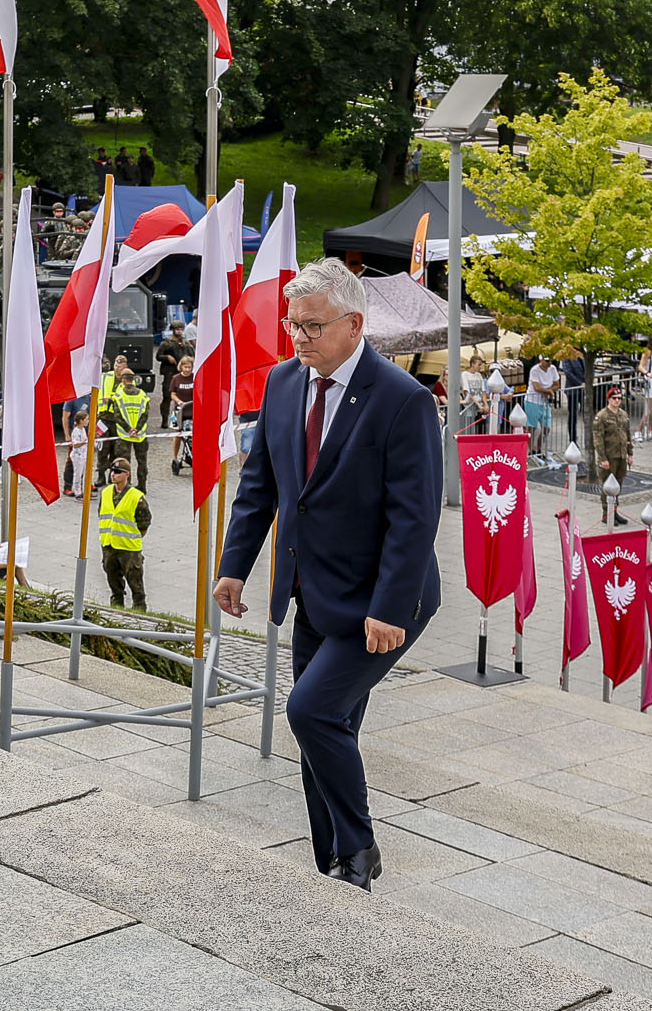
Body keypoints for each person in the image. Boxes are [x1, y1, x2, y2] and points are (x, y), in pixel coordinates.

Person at [213, 258, 442, 893]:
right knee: (332, 728)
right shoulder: (284, 384)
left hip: (382, 599)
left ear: (354, 324)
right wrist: (236, 567)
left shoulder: (405, 401)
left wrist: (391, 608)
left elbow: (415, 518)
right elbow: (260, 488)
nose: (300, 337)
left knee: (310, 712)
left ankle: (360, 845)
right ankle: (334, 866)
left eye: (312, 326)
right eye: (293, 325)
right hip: (309, 593)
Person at [97, 458, 152, 608]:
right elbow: (101, 514)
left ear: (126, 474)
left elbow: (144, 523)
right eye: (112, 471)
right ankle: (117, 610)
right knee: (114, 585)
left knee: (137, 587)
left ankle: (140, 613)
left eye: (117, 472)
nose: (113, 475)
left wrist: (131, 536)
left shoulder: (136, 497)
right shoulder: (106, 492)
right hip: (109, 546)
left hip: (129, 549)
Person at [106, 365, 151, 490]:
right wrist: (136, 429)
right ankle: (142, 486)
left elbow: (117, 416)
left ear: (123, 380)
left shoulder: (119, 396)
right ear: (133, 379)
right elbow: (145, 415)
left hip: (124, 435)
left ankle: (127, 486)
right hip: (140, 435)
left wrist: (128, 430)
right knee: (142, 461)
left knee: (124, 462)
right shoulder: (142, 395)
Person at [593, 387, 631, 525]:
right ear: (608, 399)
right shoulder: (602, 416)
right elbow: (598, 439)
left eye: (619, 398)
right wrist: (603, 458)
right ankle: (606, 514)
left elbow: (627, 436)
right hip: (609, 456)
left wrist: (630, 453)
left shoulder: (623, 415)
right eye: (614, 398)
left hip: (621, 455)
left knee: (618, 484)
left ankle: (614, 511)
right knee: (607, 486)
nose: (617, 401)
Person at [526, 355, 560, 456]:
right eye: (547, 361)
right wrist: (548, 390)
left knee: (546, 427)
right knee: (532, 426)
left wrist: (548, 391)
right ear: (541, 360)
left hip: (544, 401)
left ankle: (539, 447)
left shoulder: (552, 368)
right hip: (533, 400)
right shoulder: (534, 370)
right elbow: (536, 387)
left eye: (551, 361)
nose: (549, 363)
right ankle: (531, 448)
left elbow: (557, 384)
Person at [167, 359, 194, 476]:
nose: (187, 370)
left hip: (193, 408)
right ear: (181, 367)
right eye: (185, 367)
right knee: (177, 434)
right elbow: (172, 393)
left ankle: (193, 454)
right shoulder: (176, 378)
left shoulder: (195, 377)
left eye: (189, 367)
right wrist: (179, 401)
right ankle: (175, 457)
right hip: (179, 410)